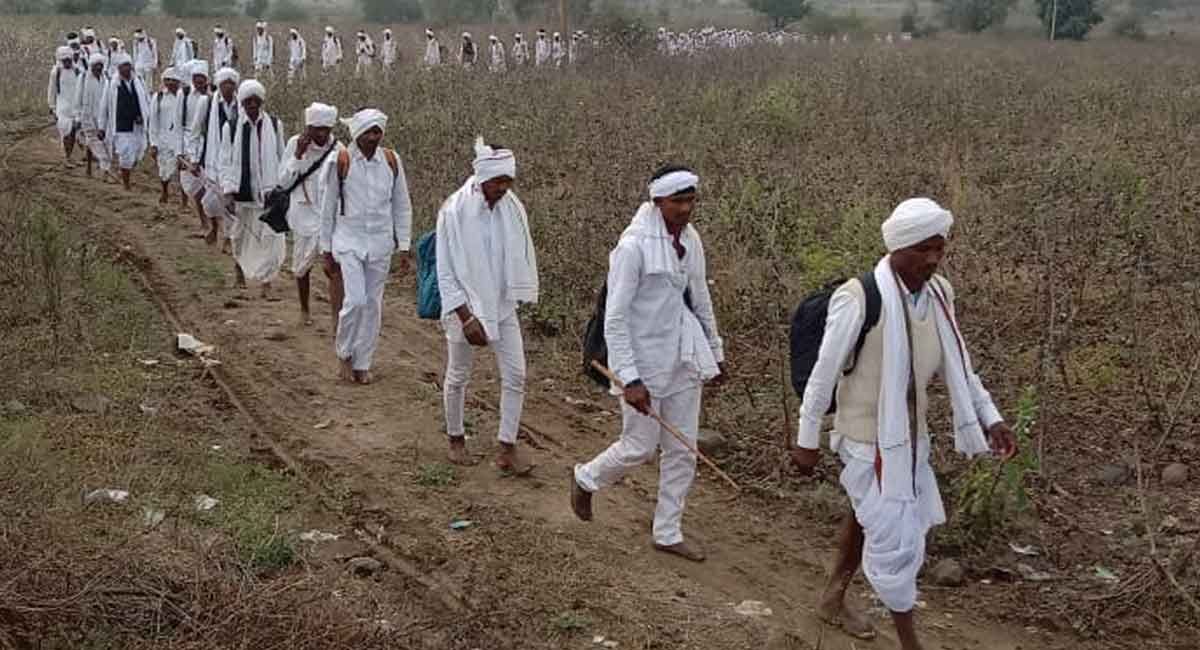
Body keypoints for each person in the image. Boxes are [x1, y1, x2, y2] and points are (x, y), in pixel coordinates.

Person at [789, 198, 1017, 650]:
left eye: (939, 249)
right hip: (863, 437)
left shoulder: (939, 295)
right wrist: (806, 438)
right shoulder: (858, 298)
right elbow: (823, 375)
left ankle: (833, 598)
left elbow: (959, 365)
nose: (932, 259)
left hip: (910, 438)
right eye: (922, 249)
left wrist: (991, 417)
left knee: (869, 517)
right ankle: (910, 641)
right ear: (897, 247)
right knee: (896, 541)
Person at [571, 165, 727, 563]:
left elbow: (701, 298)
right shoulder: (633, 247)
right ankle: (586, 478)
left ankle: (668, 532)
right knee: (639, 447)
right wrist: (630, 379)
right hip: (642, 361)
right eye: (678, 201)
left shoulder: (690, 240)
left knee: (683, 450)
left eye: (691, 200)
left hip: (684, 355)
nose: (686, 209)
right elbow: (615, 319)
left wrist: (716, 351)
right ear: (658, 201)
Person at [438, 138, 538, 473]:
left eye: (508, 181)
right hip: (465, 307)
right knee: (458, 375)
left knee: (516, 375)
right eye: (498, 181)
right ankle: (455, 439)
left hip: (502, 304)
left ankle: (507, 447)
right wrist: (466, 318)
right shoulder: (454, 210)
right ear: (482, 177)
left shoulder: (512, 208)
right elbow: (446, 271)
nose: (503, 188)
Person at [317, 109, 412, 385]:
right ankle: (344, 353)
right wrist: (326, 249)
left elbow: (401, 204)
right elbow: (328, 207)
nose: (373, 137)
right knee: (355, 301)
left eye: (377, 132)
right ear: (357, 134)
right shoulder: (341, 160)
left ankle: (363, 363)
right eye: (368, 132)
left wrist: (404, 245)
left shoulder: (391, 161)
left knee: (372, 305)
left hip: (380, 243)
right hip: (348, 241)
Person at [219, 79, 285, 297]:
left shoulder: (274, 124)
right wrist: (228, 191)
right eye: (248, 101)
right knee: (240, 236)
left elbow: (281, 155)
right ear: (242, 103)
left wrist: (283, 187)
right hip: (242, 192)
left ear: (261, 102)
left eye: (256, 101)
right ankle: (239, 271)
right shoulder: (231, 126)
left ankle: (267, 282)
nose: (253, 105)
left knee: (271, 238)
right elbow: (225, 160)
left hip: (269, 193)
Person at [279, 102, 340, 326]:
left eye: (326, 129)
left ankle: (336, 315)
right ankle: (304, 310)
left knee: (333, 266)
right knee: (302, 267)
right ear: (308, 128)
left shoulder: (338, 149)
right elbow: (283, 181)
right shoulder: (295, 144)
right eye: (317, 129)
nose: (322, 134)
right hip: (303, 214)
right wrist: (297, 155)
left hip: (330, 216)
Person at [192, 67, 240, 247]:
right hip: (212, 157)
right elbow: (196, 130)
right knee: (211, 202)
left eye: (231, 83)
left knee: (230, 199)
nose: (228, 87)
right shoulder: (207, 102)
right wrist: (194, 158)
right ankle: (214, 226)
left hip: (233, 159)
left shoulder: (241, 104)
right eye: (224, 83)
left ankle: (228, 237)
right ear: (219, 85)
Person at [99, 52, 150, 191]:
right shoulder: (112, 84)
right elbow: (104, 106)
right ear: (118, 68)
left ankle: (125, 172)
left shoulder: (139, 81)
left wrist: (146, 117)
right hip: (121, 126)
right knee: (125, 154)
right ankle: (126, 183)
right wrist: (102, 127)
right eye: (123, 66)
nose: (126, 69)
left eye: (128, 65)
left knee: (138, 153)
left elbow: (146, 100)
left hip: (138, 126)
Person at [179, 60, 210, 226]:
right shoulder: (184, 95)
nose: (199, 81)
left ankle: (210, 219)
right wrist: (179, 150)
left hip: (209, 143)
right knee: (194, 184)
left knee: (208, 183)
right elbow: (178, 123)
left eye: (202, 78)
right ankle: (202, 218)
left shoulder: (213, 95)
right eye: (196, 77)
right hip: (188, 141)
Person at [148, 67, 184, 205]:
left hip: (180, 139)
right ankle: (164, 191)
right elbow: (153, 121)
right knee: (164, 170)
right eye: (167, 80)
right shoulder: (159, 97)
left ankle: (184, 200)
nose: (170, 83)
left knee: (183, 171)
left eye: (173, 80)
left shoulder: (183, 96)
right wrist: (153, 143)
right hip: (163, 138)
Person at [75, 52, 113, 180]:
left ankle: (100, 170)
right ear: (91, 66)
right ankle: (102, 169)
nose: (99, 68)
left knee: (105, 143)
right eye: (96, 65)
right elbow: (78, 98)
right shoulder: (83, 78)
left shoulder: (105, 79)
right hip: (88, 116)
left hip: (103, 117)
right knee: (93, 141)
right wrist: (77, 117)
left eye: (100, 65)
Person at [48, 46, 83, 165]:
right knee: (66, 133)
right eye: (64, 60)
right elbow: (51, 91)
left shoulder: (77, 71)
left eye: (69, 60)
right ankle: (66, 158)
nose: (67, 62)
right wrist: (52, 108)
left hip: (75, 107)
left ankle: (69, 156)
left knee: (73, 132)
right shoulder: (56, 72)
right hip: (62, 108)